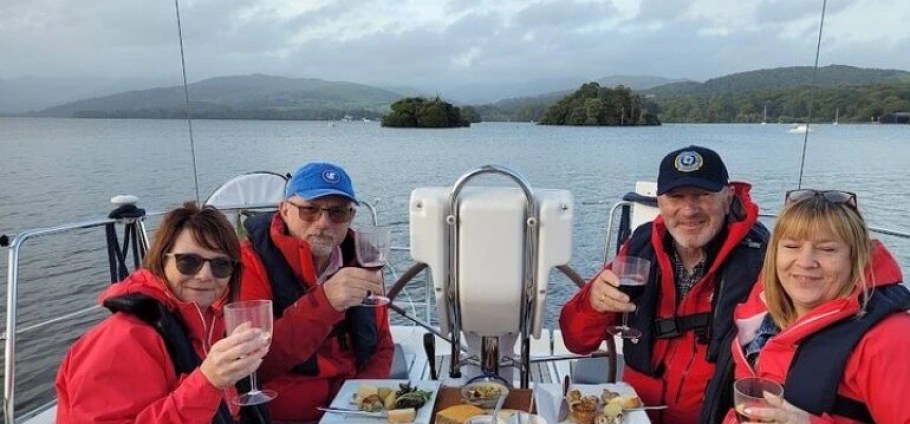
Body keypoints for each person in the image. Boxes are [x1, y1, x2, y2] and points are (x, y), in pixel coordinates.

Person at [560, 145, 770, 424]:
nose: (689, 209)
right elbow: (576, 341)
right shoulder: (641, 247)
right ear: (659, 201)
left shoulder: (763, 260)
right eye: (676, 197)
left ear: (728, 197)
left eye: (702, 195)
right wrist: (592, 304)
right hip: (632, 414)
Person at [56, 202, 272, 423]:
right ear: (161, 260)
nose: (205, 275)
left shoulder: (211, 324)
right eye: (188, 261)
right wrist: (206, 384)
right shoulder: (119, 340)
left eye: (221, 265)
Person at [721, 189, 910, 424]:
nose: (806, 262)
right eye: (791, 246)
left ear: (856, 256)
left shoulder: (891, 339)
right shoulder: (760, 317)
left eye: (827, 249)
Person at [240, 162, 393, 422]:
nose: (323, 223)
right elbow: (251, 368)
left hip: (351, 410)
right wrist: (325, 303)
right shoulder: (249, 264)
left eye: (337, 213)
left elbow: (382, 345)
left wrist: (362, 401)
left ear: (351, 217)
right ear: (285, 210)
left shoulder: (360, 260)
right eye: (309, 210)